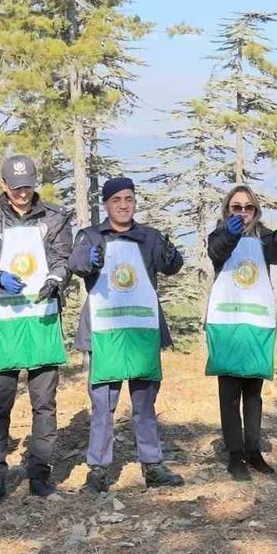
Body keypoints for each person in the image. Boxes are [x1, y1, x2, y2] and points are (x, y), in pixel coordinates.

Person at [0, 155, 73, 511]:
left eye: (27, 186)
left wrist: (56, 279)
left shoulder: (55, 216)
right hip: (3, 321)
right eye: (16, 187)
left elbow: (63, 258)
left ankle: (39, 475)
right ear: (3, 184)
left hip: (42, 317)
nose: (22, 193)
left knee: (44, 403)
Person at [70, 177, 185, 493]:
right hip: (105, 333)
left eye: (129, 199)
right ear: (106, 204)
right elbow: (76, 263)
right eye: (116, 200)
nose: (123, 205)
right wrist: (90, 260)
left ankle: (153, 465)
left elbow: (171, 266)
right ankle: (98, 470)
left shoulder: (149, 237)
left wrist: (171, 253)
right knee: (103, 406)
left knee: (145, 404)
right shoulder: (91, 236)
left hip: (142, 331)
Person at [204, 185, 277, 481]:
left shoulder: (265, 236)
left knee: (253, 392)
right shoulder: (218, 234)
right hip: (227, 320)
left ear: (256, 210)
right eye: (236, 207)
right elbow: (217, 252)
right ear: (227, 210)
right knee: (229, 391)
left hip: (257, 320)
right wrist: (231, 234)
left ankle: (254, 451)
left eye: (248, 207)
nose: (242, 213)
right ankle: (235, 455)